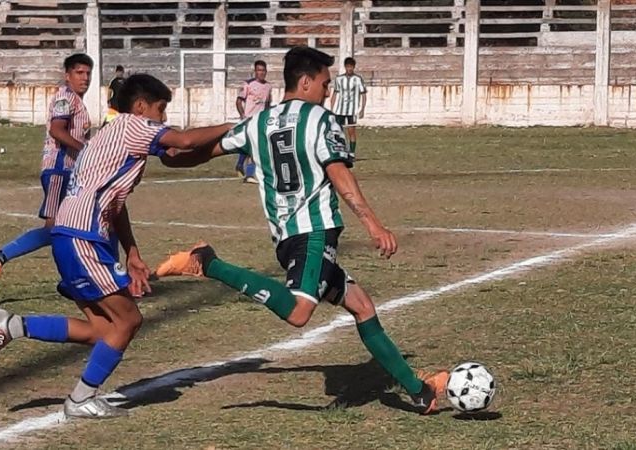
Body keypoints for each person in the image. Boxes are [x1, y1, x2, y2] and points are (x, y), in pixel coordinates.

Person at [154, 47, 448, 414]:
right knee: (298, 312)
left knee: (361, 306)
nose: (328, 91)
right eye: (325, 84)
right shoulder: (322, 120)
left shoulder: (258, 123)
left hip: (287, 237)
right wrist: (374, 224)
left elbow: (200, 153)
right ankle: (208, 262)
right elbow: (338, 172)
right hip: (314, 232)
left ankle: (420, 392)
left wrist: (166, 156)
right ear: (306, 82)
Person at [0, 74, 233, 419]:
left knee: (102, 329)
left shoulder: (112, 135)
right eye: (160, 109)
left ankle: (13, 326)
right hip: (83, 237)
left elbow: (157, 170)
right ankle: (80, 399)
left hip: (72, 235)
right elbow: (185, 141)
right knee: (128, 321)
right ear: (141, 106)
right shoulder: (132, 125)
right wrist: (234, 126)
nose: (163, 118)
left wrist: (132, 252)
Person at [0, 53, 93, 296]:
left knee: (67, 228)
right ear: (67, 75)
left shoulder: (76, 101)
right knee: (55, 229)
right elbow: (57, 130)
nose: (85, 78)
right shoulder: (65, 98)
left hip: (69, 172)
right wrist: (86, 150)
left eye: (88, 73)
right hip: (59, 171)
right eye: (79, 73)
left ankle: (76, 279)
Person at [235, 60, 272, 184]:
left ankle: (241, 165)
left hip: (260, 121)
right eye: (259, 70)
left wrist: (267, 117)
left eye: (263, 70)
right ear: (255, 71)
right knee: (253, 147)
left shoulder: (268, 86)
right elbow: (239, 101)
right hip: (249, 120)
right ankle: (249, 174)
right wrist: (243, 116)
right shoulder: (248, 84)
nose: (261, 73)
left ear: (266, 72)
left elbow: (267, 104)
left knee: (251, 146)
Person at [330, 57, 366, 155]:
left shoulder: (358, 79)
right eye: (348, 67)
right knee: (337, 131)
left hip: (352, 110)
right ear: (345, 67)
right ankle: (339, 152)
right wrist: (332, 108)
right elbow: (335, 93)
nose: (349, 69)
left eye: (351, 67)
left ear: (354, 67)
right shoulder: (339, 79)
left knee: (351, 131)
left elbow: (363, 94)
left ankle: (352, 153)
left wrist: (362, 109)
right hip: (340, 110)